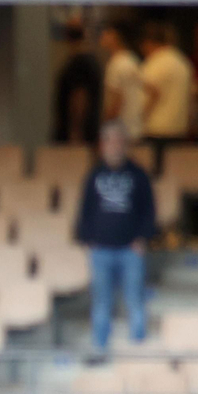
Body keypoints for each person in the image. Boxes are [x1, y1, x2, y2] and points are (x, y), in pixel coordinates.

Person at [74, 121, 157, 354]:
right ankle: (100, 349)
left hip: (130, 251)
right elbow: (85, 210)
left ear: (126, 144)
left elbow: (148, 210)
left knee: (135, 301)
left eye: (120, 140)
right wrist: (88, 240)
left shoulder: (139, 175)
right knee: (101, 303)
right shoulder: (94, 175)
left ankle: (137, 352)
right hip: (100, 251)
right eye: (110, 141)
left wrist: (142, 238)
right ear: (103, 145)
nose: (115, 145)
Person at [139, 22, 194, 168]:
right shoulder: (183, 63)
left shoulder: (155, 62)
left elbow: (150, 94)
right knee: (172, 178)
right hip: (178, 131)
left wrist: (138, 117)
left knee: (155, 179)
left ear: (149, 43)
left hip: (156, 131)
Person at [52, 17, 102, 145]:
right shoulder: (88, 61)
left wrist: (76, 130)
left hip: (77, 133)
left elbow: (80, 96)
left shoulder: (79, 63)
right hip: (84, 131)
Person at [100, 23, 144, 141]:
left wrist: (106, 122)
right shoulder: (132, 60)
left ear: (115, 36)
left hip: (119, 131)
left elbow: (117, 99)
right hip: (135, 128)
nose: (102, 35)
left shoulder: (116, 64)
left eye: (107, 32)